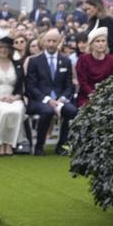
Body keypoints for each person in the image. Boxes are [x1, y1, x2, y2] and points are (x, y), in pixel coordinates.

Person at [24, 29, 76, 157]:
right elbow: (31, 86)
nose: (51, 44)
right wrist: (47, 100)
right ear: (43, 42)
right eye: (49, 41)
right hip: (39, 100)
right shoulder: (34, 61)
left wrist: (63, 98)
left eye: (54, 41)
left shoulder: (66, 61)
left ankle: (62, 145)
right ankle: (39, 146)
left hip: (59, 100)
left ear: (59, 42)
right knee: (47, 110)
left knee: (72, 111)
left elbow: (69, 86)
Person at [75, 26, 113, 108]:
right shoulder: (83, 59)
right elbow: (83, 82)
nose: (101, 44)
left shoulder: (112, 60)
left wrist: (104, 95)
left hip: (107, 97)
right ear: (91, 44)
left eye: (103, 41)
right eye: (97, 41)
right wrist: (94, 95)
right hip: (87, 97)